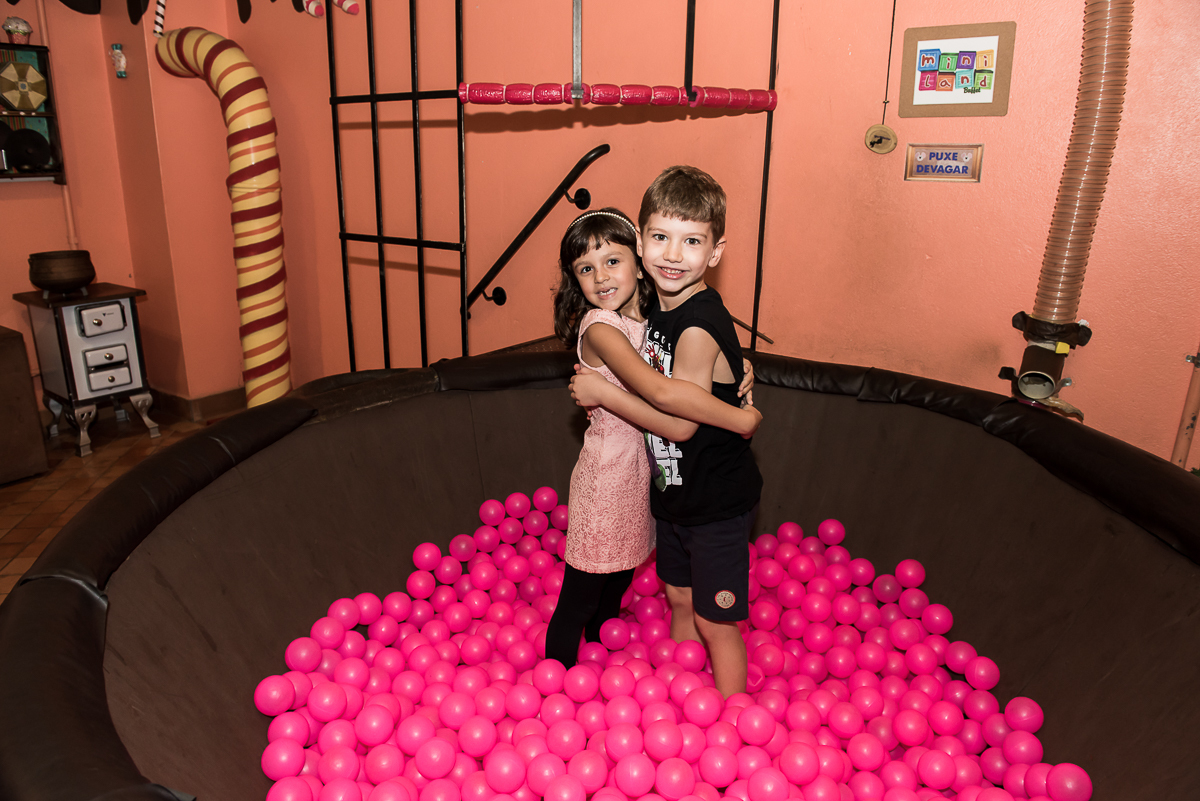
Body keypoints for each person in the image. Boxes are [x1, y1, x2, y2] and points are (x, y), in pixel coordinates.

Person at [569, 166, 763, 696]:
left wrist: (605, 393)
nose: (673, 255)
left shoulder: (695, 325)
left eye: (692, 241)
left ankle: (731, 713)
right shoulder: (656, 305)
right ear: (640, 241)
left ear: (715, 253)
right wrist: (740, 371)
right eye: (660, 237)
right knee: (678, 597)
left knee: (715, 620)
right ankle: (682, 694)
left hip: (717, 499)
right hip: (675, 494)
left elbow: (678, 420)